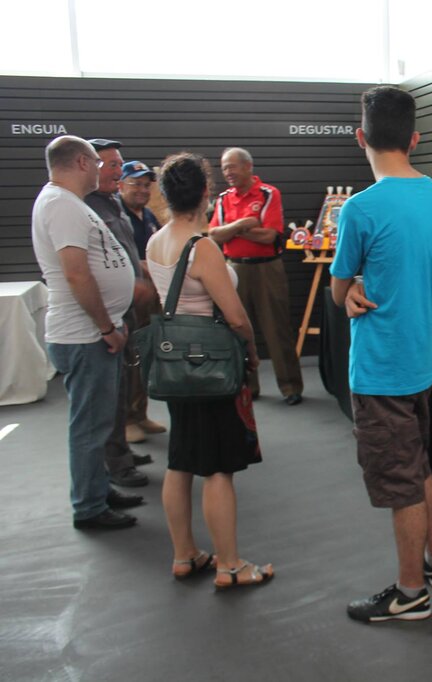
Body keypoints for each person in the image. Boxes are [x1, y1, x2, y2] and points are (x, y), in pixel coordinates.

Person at [330, 86, 432, 622]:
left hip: (380, 368)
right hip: (420, 361)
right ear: (415, 139)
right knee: (417, 464)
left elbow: (338, 289)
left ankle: (410, 593)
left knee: (401, 482)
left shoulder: (360, 208)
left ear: (360, 138)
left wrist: (351, 289)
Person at [146, 152, 273, 588]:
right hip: (213, 365)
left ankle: (185, 555)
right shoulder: (202, 248)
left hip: (175, 364)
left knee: (180, 461)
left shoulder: (156, 242)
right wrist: (251, 353)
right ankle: (230, 565)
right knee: (219, 468)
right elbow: (235, 317)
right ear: (205, 192)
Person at [31, 135, 142, 529]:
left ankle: (97, 488)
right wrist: (106, 326)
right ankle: (89, 507)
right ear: (81, 162)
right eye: (97, 161)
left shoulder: (69, 202)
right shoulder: (60, 204)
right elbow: (76, 274)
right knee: (90, 426)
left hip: (92, 333)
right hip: (85, 336)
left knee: (98, 421)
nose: (101, 168)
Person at [208, 148, 303, 405]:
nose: (227, 172)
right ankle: (248, 387)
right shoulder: (223, 199)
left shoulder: (268, 194)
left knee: (277, 329)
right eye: (224, 168)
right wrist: (243, 224)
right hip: (234, 268)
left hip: (267, 269)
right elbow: (213, 235)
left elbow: (269, 236)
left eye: (232, 166)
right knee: (237, 328)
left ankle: (290, 387)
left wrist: (230, 231)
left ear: (248, 167)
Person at [84, 138, 152, 485]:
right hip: (106, 314)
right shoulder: (84, 207)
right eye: (111, 164)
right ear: (89, 166)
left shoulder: (111, 203)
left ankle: (120, 451)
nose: (117, 170)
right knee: (107, 394)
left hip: (126, 308)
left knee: (123, 382)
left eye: (117, 163)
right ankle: (115, 465)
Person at [119, 160, 167, 443]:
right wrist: (143, 265)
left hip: (150, 298)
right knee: (129, 359)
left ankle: (140, 413)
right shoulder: (116, 216)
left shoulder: (147, 215)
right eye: (135, 183)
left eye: (146, 185)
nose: (142, 189)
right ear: (121, 185)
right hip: (129, 298)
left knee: (144, 357)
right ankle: (125, 419)